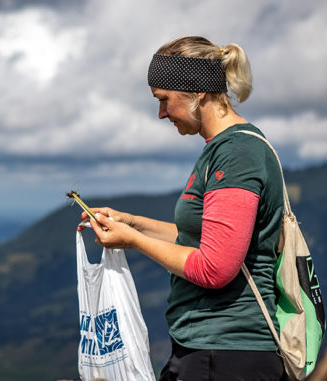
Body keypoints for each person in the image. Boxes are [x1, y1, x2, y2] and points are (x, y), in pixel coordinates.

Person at [78, 36, 287, 380]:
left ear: (197, 91)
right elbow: (201, 238)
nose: (161, 114)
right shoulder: (220, 149)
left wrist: (132, 240)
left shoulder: (237, 154)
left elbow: (215, 268)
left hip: (228, 352)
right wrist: (130, 222)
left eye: (164, 100)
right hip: (206, 348)